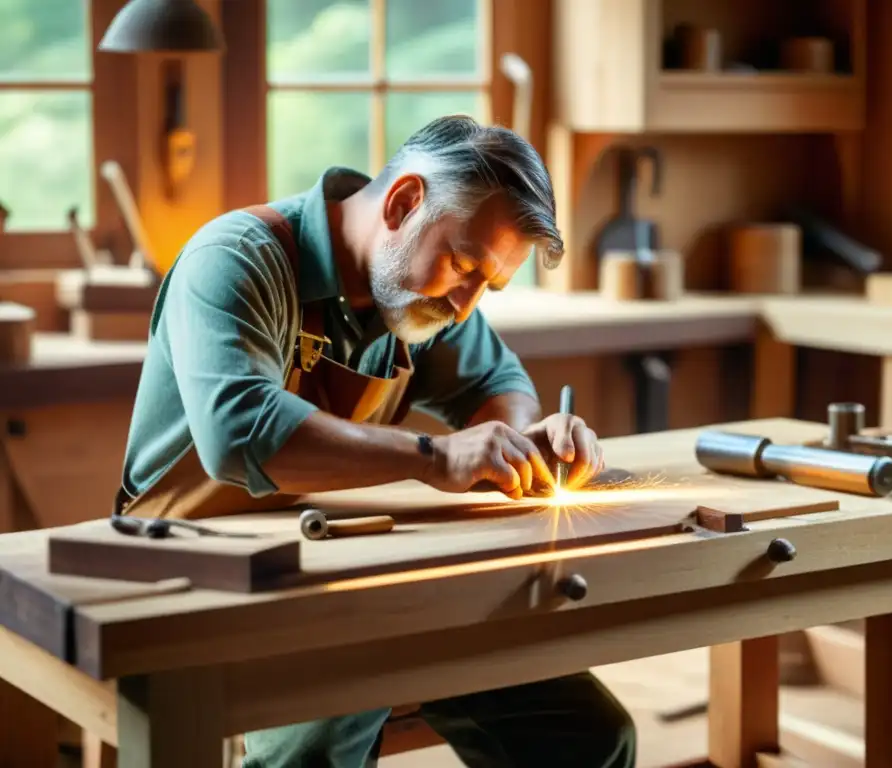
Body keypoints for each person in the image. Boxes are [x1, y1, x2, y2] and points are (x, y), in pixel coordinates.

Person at [115, 114, 637, 768]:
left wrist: (517, 437)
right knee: (329, 733)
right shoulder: (235, 258)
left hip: (340, 567)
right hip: (196, 575)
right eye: (465, 266)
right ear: (403, 202)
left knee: (588, 738)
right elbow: (238, 432)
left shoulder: (418, 296)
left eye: (490, 286)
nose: (466, 306)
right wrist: (435, 457)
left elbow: (498, 378)